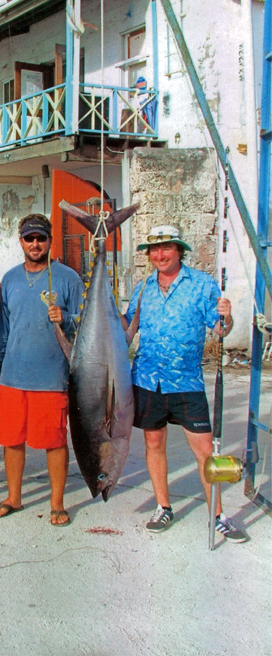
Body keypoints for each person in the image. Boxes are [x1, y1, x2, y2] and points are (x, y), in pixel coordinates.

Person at [125, 224, 247, 542]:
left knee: (205, 449)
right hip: (148, 380)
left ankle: (218, 514)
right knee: (154, 444)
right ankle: (163, 506)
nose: (160, 255)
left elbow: (220, 329)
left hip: (187, 382)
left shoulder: (203, 285)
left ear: (180, 250)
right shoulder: (142, 288)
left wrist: (227, 316)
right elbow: (126, 327)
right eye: (154, 249)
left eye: (167, 248)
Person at [0, 213, 84, 526]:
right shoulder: (12, 278)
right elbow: (3, 327)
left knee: (55, 440)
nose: (35, 244)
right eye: (29, 238)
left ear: (50, 241)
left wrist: (66, 318)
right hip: (14, 375)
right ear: (20, 241)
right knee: (12, 439)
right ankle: (13, 498)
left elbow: (84, 325)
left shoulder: (68, 278)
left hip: (52, 375)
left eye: (40, 238)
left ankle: (57, 503)